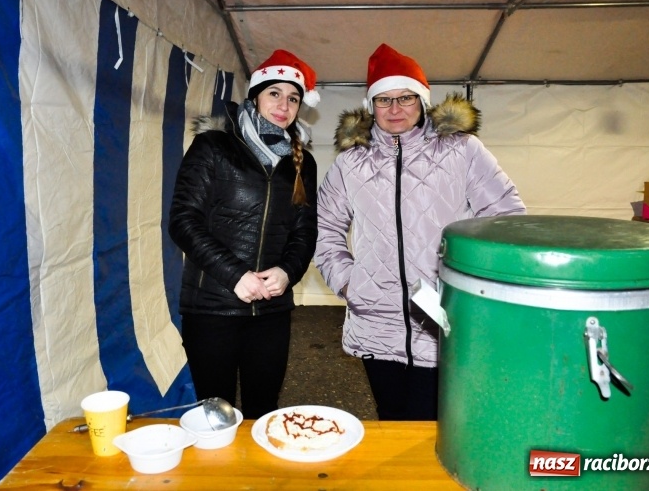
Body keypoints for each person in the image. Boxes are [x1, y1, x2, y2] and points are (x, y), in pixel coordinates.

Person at [314, 43, 526, 421]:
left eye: (406, 98)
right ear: (370, 105)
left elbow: (505, 217)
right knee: (391, 419)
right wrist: (350, 282)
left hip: (442, 320)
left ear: (422, 101)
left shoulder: (462, 151)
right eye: (384, 100)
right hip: (375, 320)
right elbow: (325, 227)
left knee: (438, 424)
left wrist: (471, 291)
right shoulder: (350, 163)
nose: (395, 109)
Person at [169, 50, 320, 419]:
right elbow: (183, 220)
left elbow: (305, 231)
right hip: (212, 307)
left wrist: (286, 272)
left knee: (263, 410)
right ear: (255, 96)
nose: (284, 105)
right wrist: (235, 275)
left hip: (271, 310)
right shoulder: (213, 147)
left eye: (293, 98)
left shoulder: (302, 163)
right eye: (274, 94)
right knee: (213, 412)